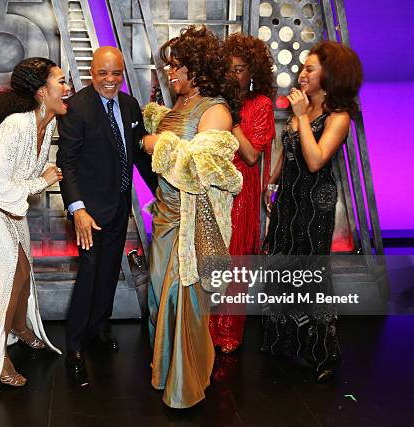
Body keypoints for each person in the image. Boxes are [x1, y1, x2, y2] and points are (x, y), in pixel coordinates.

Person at [142, 26, 242, 408]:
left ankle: (185, 386)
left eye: (176, 67)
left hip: (190, 223)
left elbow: (201, 169)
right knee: (159, 299)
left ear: (196, 69)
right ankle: (166, 371)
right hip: (166, 215)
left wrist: (158, 144)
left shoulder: (214, 109)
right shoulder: (181, 105)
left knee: (182, 302)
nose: (170, 74)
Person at [0, 58, 68, 396]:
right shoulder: (16, 125)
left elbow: (19, 177)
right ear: (41, 91)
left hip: (10, 209)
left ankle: (19, 325)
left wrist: (40, 176)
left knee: (23, 272)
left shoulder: (48, 125)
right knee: (5, 278)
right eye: (61, 82)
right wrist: (43, 180)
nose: (67, 89)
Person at [261, 41, 363, 382]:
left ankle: (322, 353)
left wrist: (302, 117)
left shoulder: (339, 117)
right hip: (288, 200)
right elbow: (288, 152)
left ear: (330, 75)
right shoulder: (301, 109)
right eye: (303, 68)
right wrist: (271, 181)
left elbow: (316, 159)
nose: (302, 74)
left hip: (313, 206)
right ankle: (283, 339)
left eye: (310, 69)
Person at [56, 46, 157, 386]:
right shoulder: (76, 108)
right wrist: (77, 209)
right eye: (103, 73)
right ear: (91, 73)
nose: (110, 80)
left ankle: (99, 328)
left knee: (110, 270)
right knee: (89, 272)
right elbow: (66, 163)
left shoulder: (129, 105)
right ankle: (74, 347)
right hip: (87, 212)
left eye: (116, 73)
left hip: (118, 207)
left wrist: (163, 192)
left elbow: (138, 154)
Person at [208, 33, 276, 354]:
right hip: (213, 192)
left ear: (253, 72)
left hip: (243, 194)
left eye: (240, 69)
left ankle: (229, 331)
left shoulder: (260, 105)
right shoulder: (214, 102)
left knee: (236, 264)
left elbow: (251, 155)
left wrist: (233, 119)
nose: (234, 75)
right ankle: (206, 329)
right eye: (229, 69)